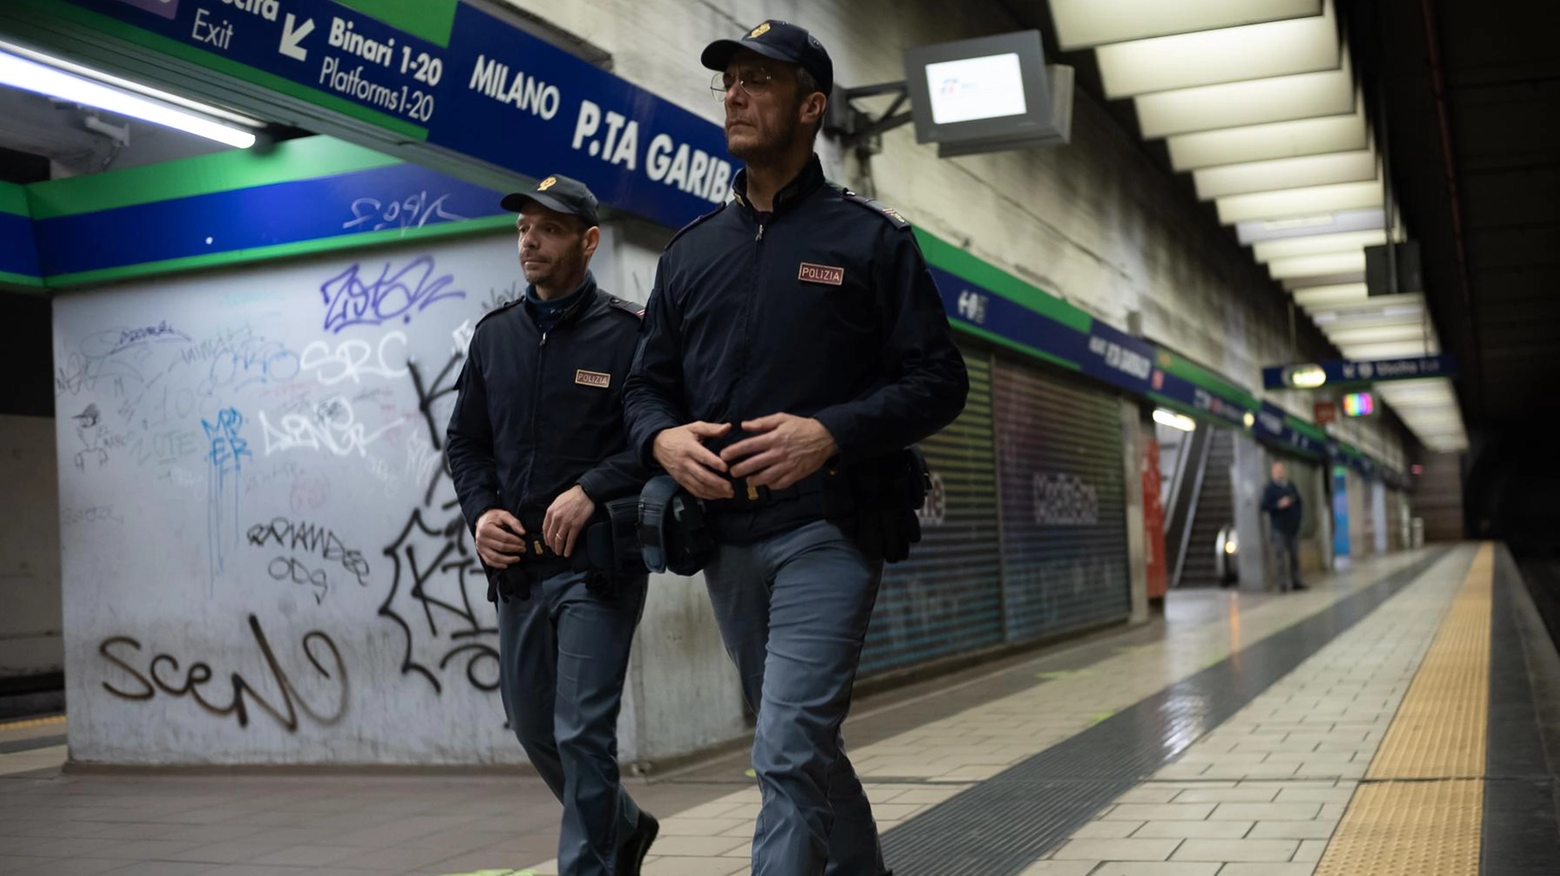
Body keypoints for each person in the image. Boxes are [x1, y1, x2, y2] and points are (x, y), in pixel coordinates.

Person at [623, 20, 969, 876]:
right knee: (802, 743)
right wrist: (662, 439)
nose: (736, 94)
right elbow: (643, 389)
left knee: (780, 751)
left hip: (831, 527)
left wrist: (830, 433)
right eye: (729, 80)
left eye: (760, 81)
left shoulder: (870, 241)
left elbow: (939, 380)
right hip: (723, 542)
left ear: (812, 108)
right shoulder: (691, 252)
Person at [445, 174, 658, 876]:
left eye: (549, 228)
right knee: (537, 728)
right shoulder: (495, 338)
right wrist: (481, 514)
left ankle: (590, 866)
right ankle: (622, 827)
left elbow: (656, 438)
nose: (530, 240)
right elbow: (467, 443)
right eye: (522, 228)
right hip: (519, 573)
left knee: (581, 732)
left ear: (588, 241)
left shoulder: (629, 336)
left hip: (598, 567)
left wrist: (592, 489)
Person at [1261, 461, 1307, 592]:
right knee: (1280, 557)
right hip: (1278, 528)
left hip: (1292, 527)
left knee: (1295, 556)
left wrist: (1298, 518)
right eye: (1277, 470)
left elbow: (1298, 501)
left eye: (1281, 470)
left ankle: (1296, 581)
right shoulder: (1270, 488)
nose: (1279, 472)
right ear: (1273, 472)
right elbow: (1264, 506)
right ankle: (1282, 583)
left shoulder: (1290, 486)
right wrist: (1278, 505)